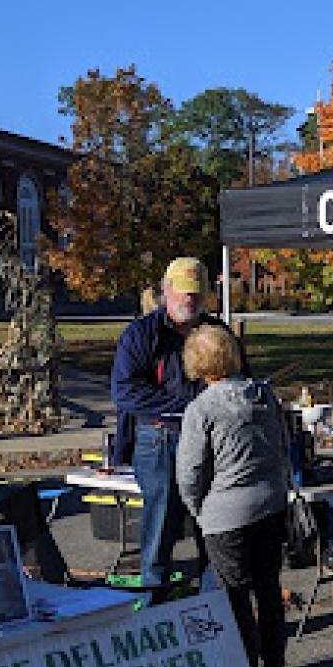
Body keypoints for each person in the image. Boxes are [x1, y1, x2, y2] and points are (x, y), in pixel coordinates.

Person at [176, 326, 291, 667]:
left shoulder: (201, 409)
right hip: (270, 502)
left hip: (225, 513)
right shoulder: (264, 395)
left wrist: (198, 509)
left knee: (234, 597)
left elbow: (190, 471)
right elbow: (283, 445)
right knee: (268, 589)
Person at [111, 257, 225, 599]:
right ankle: (154, 599)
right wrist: (189, 408)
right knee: (161, 519)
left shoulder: (217, 333)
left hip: (212, 439)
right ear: (166, 290)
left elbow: (238, 377)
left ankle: (216, 598)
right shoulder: (141, 334)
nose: (189, 299)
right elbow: (125, 392)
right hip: (159, 438)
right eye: (183, 291)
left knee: (215, 520)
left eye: (196, 292)